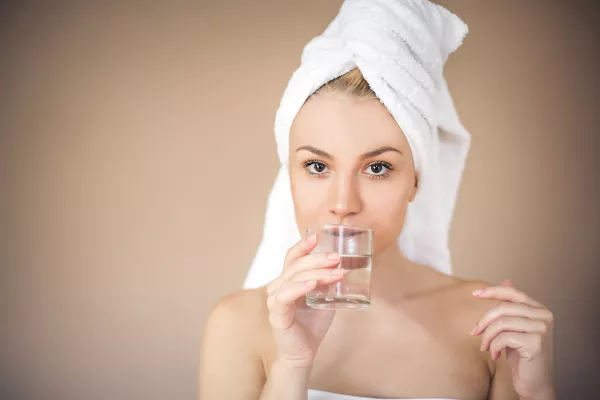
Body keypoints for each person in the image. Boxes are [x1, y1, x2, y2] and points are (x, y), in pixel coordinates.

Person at [198, 1, 555, 399]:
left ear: (416, 181)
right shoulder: (237, 325)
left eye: (377, 168)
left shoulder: (487, 328)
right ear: (290, 177)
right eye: (317, 166)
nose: (344, 202)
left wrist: (538, 392)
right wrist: (292, 365)